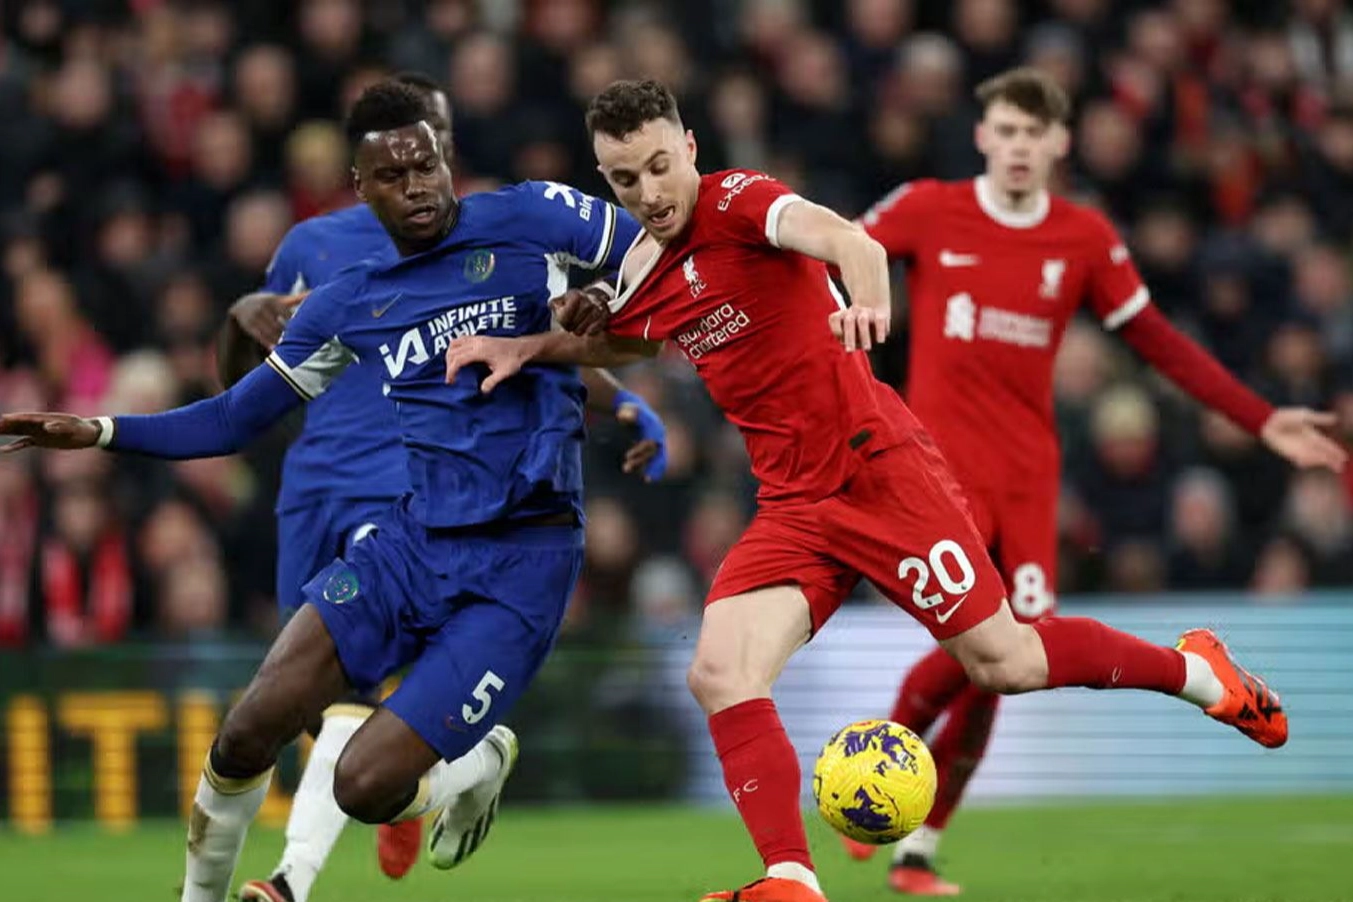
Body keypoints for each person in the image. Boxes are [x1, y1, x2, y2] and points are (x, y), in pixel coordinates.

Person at [441, 79, 1301, 902]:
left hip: (875, 472)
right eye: (625, 178)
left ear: (690, 147)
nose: (649, 191)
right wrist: (528, 348)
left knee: (1003, 662)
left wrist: (867, 304)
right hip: (792, 505)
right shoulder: (641, 265)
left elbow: (850, 241)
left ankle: (1199, 673)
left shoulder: (739, 200)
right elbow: (629, 342)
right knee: (721, 672)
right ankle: (791, 877)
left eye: (660, 165)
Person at [0, 80, 646, 902]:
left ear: (445, 161)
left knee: (363, 787)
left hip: (523, 559)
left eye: (426, 166)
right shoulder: (348, 302)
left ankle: (477, 760)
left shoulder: (528, 216)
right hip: (412, 544)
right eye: (393, 175)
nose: (416, 186)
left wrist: (607, 299)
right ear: (360, 188)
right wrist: (98, 430)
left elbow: (653, 251)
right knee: (247, 731)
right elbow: (232, 418)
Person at [847, 66, 1347, 896]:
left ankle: (917, 843)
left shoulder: (1081, 237)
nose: (1017, 147)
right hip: (939, 474)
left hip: (1027, 479)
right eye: (1005, 131)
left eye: (1033, 134)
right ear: (982, 136)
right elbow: (837, 251)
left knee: (1010, 657)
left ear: (1059, 144)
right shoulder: (929, 208)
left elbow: (1158, 341)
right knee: (978, 651)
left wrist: (1260, 418)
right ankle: (884, 775)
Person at [217, 72, 665, 902]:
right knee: (309, 714)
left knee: (356, 711)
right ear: (362, 172)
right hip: (314, 491)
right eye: (406, 152)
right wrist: (238, 316)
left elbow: (550, 343)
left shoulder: (497, 234)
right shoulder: (313, 247)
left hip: (412, 490)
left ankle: (288, 880)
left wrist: (627, 401)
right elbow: (245, 385)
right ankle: (445, 771)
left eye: (438, 140)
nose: (428, 159)